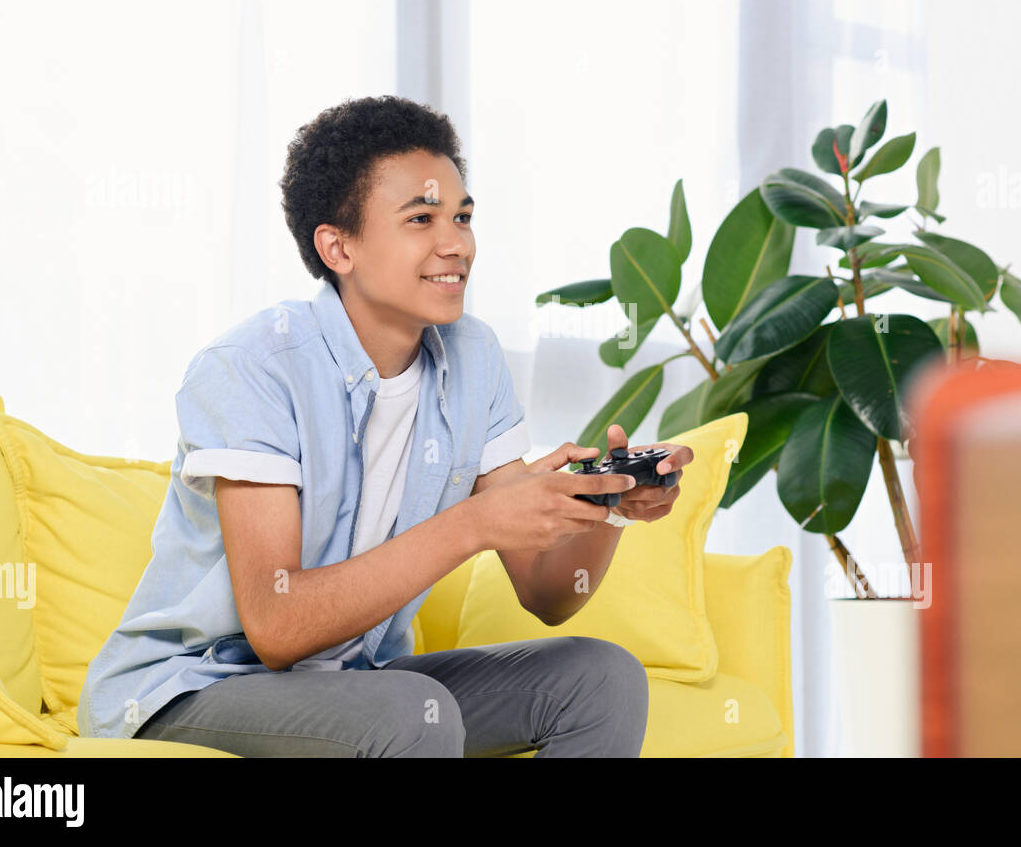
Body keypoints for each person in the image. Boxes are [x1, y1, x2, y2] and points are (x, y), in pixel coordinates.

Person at [77, 95, 694, 757]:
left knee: (601, 678)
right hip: (195, 687)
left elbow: (547, 592)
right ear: (337, 245)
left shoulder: (473, 358)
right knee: (411, 713)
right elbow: (277, 626)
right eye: (421, 218)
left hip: (354, 683)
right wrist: (474, 522)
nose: (455, 242)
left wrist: (605, 508)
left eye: (462, 216)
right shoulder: (255, 368)